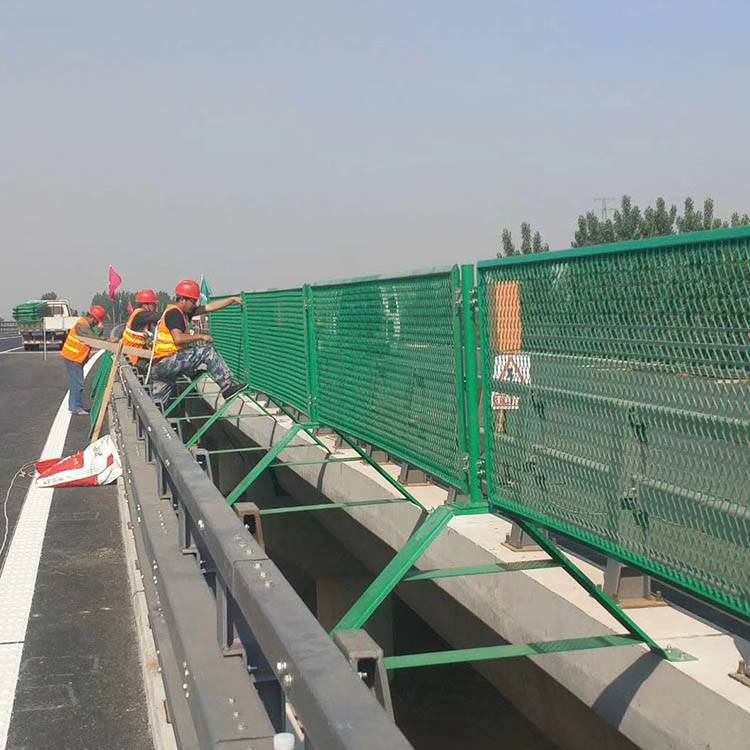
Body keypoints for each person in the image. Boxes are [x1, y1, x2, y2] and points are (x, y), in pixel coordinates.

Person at [149, 279, 245, 402]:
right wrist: (201, 336)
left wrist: (231, 300)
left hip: (159, 367)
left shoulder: (183, 312)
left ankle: (191, 373)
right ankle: (227, 387)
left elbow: (210, 307)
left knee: (158, 404)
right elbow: (178, 339)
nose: (194, 305)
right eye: (193, 301)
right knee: (207, 351)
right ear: (182, 299)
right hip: (167, 362)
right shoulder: (174, 313)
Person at [61, 305, 108, 415]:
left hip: (74, 358)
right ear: (93, 318)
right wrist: (104, 335)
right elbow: (93, 338)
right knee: (77, 383)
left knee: (75, 382)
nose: (96, 323)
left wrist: (100, 331)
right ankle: (76, 407)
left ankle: (74, 406)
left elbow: (93, 337)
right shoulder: (82, 325)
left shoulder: (85, 324)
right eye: (97, 321)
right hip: (73, 358)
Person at [122, 289, 161, 371]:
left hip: (134, 355)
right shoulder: (140, 315)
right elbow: (158, 317)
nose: (155, 307)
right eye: (153, 304)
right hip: (133, 358)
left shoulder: (142, 317)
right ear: (146, 305)